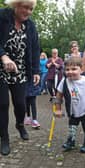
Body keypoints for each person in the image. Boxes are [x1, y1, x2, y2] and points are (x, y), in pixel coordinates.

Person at [0, 0, 40, 155]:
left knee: (21, 104)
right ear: (16, 5)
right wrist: (4, 57)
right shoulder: (2, 16)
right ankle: (4, 138)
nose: (28, 12)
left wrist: (36, 71)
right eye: (26, 7)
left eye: (31, 9)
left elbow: (35, 48)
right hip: (1, 70)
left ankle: (20, 124)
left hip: (20, 71)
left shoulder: (30, 25)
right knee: (2, 105)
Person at [54, 57, 85, 153]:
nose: (70, 72)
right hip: (73, 111)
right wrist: (58, 109)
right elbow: (59, 95)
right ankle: (71, 141)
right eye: (67, 69)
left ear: (81, 70)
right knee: (72, 127)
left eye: (74, 69)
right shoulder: (65, 81)